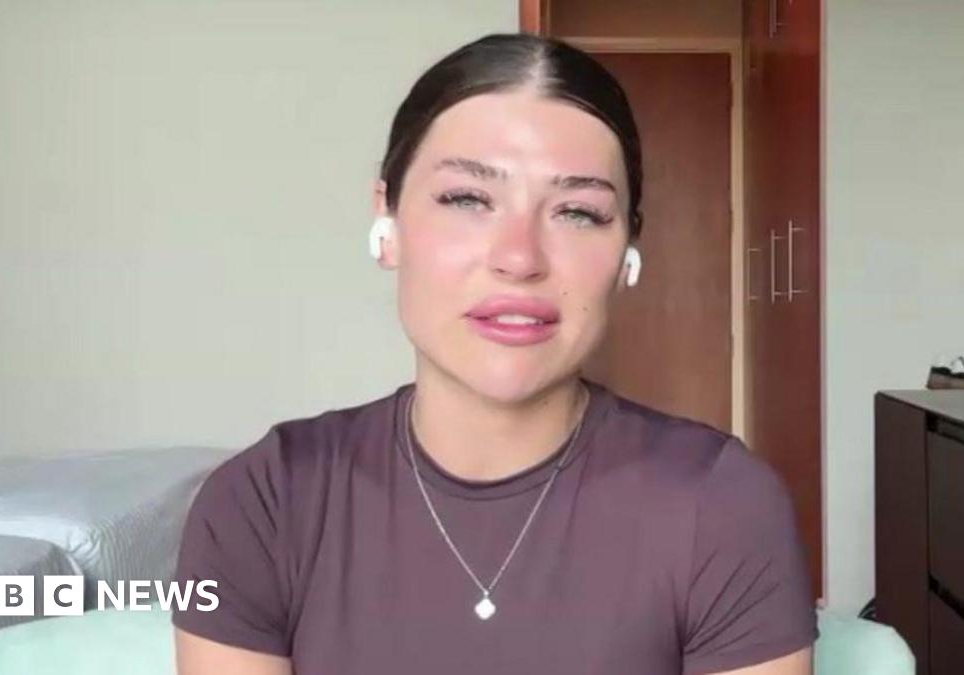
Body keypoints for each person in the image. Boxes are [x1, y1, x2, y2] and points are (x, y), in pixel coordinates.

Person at [173, 32, 818, 675]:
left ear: (627, 255)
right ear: (387, 221)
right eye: (467, 199)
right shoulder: (263, 501)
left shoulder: (722, 506)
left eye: (578, 213)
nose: (519, 258)